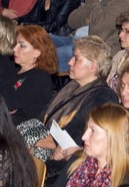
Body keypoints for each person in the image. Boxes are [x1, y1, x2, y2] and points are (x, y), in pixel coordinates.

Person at [22, 36, 117, 164]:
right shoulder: (72, 85)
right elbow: (42, 118)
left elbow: (74, 137)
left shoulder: (102, 97)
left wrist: (25, 142)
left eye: (76, 59)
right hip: (42, 141)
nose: (70, 62)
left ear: (93, 67)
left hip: (65, 159)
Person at [6, 25, 58, 125]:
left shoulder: (40, 78)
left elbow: (9, 104)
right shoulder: (14, 69)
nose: (14, 49)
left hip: (17, 128)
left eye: (22, 46)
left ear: (37, 52)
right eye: (16, 44)